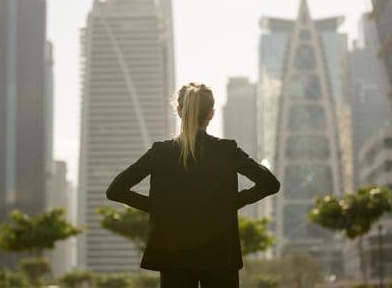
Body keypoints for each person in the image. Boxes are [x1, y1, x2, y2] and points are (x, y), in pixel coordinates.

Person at [106, 82, 280, 288]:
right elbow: (269, 183)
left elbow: (115, 190)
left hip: (173, 256)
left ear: (179, 111)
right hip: (220, 255)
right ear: (211, 114)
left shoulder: (161, 152)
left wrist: (159, 207)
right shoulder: (226, 150)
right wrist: (232, 202)